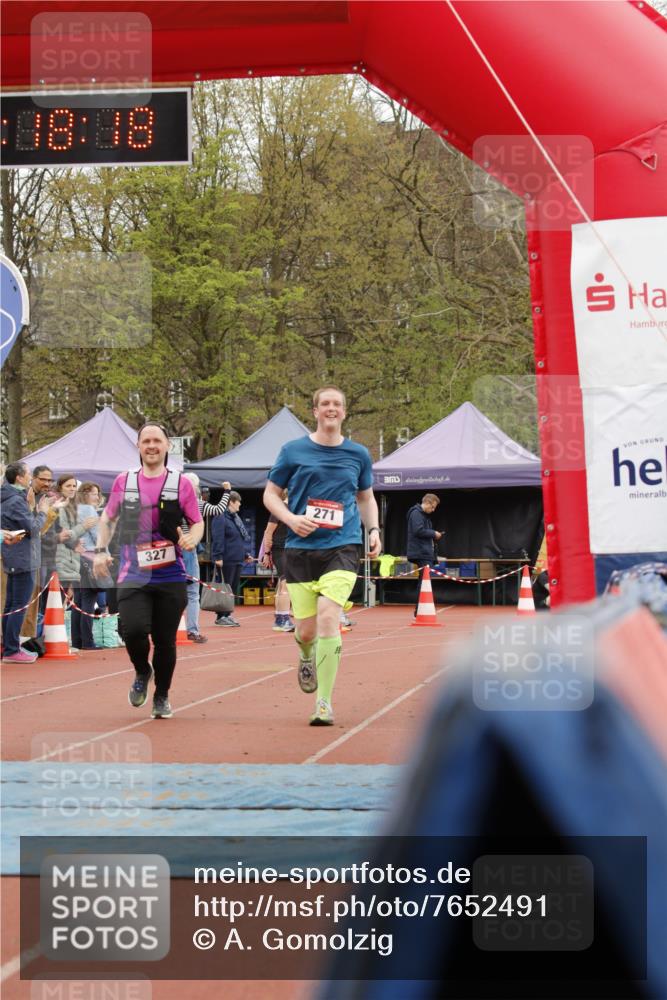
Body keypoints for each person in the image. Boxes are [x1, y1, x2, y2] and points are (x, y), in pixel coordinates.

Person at [263, 386, 382, 726]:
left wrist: (373, 530)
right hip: (300, 550)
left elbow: (365, 497)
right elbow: (271, 495)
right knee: (305, 632)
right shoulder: (293, 451)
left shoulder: (358, 454)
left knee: (330, 616)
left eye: (337, 404)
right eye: (325, 404)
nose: (331, 409)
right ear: (314, 411)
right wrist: (289, 519)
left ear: (344, 412)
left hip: (343, 547)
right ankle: (305, 654)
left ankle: (323, 703)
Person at [93, 423, 203, 718]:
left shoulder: (181, 484)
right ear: (139, 447)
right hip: (133, 571)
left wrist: (194, 536)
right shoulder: (124, 481)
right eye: (146, 441)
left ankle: (162, 695)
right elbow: (107, 519)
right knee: (133, 630)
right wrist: (101, 551)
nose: (152, 446)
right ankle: (143, 671)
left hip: (170, 574)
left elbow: (197, 520)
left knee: (165, 641)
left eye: (157, 441)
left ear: (168, 446)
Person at [1, 462, 50, 662]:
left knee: (11, 604)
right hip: (23, 557)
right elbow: (33, 528)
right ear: (19, 478)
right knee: (18, 605)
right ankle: (12, 650)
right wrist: (42, 511)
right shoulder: (15, 500)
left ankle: (8, 647)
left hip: (14, 555)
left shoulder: (9, 498)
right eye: (29, 474)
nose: (30, 477)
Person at [181, 473, 232, 642]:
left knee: (170, 592)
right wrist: (227, 491)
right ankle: (192, 630)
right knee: (193, 593)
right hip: (188, 547)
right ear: (193, 487)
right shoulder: (197, 504)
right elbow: (218, 510)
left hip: (172, 548)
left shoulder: (172, 503)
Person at [54, 474, 99, 651]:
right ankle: (83, 641)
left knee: (75, 602)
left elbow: (68, 535)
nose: (72, 489)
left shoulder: (71, 508)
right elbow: (66, 535)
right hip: (71, 558)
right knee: (79, 600)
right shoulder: (69, 509)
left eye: (74, 486)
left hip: (74, 558)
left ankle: (75, 641)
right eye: (68, 486)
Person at [210, 491, 253, 627]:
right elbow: (217, 538)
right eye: (238, 501)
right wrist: (218, 556)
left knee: (232, 589)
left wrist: (245, 555)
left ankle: (227, 614)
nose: (240, 504)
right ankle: (221, 616)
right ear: (231, 502)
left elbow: (237, 539)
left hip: (237, 559)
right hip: (226, 559)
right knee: (225, 587)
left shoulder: (234, 518)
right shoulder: (220, 517)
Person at [261, 490, 295, 632]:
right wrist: (267, 553)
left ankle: (281, 616)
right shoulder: (280, 508)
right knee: (285, 583)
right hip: (280, 550)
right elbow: (268, 532)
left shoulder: (295, 509)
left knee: (286, 583)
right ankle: (282, 620)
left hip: (292, 550)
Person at [406, 493, 443, 615]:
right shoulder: (416, 513)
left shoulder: (421, 514)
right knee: (423, 582)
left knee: (424, 582)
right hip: (420, 552)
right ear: (427, 502)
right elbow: (418, 531)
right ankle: (419, 610)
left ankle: (420, 610)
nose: (433, 510)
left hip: (424, 552)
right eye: (432, 507)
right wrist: (434, 534)